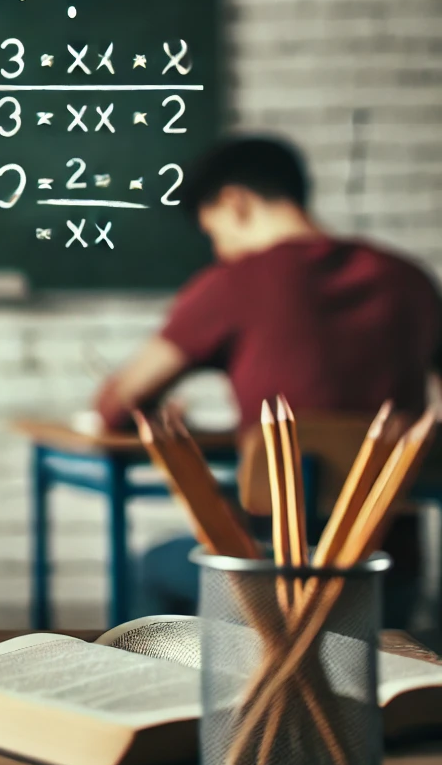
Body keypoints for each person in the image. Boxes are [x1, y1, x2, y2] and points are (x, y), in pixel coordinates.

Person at [94, 136, 442, 616]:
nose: (219, 251)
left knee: (151, 567)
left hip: (265, 573)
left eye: (213, 234)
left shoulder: (232, 285)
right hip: (387, 576)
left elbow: (116, 403)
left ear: (235, 203)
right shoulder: (410, 279)